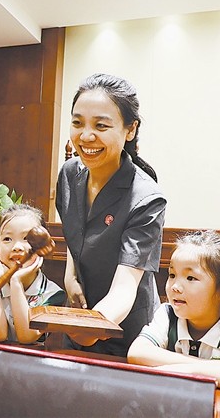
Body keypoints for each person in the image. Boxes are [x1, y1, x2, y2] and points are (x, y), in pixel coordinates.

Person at [56, 73, 166, 357]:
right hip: (79, 320)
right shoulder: (68, 174)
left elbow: (125, 287)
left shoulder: (146, 198)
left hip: (127, 335)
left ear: (130, 130)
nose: (86, 136)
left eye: (101, 125)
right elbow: (74, 232)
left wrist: (91, 327)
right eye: (77, 123)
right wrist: (70, 278)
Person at [128, 231, 220, 394]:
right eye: (172, 275)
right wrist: (208, 366)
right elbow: (137, 352)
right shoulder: (168, 315)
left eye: (190, 278)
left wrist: (191, 371)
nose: (175, 287)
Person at [0, 204, 66, 344]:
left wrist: (16, 282)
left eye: (27, 238)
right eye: (7, 239)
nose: (17, 247)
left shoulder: (53, 294)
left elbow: (26, 337)